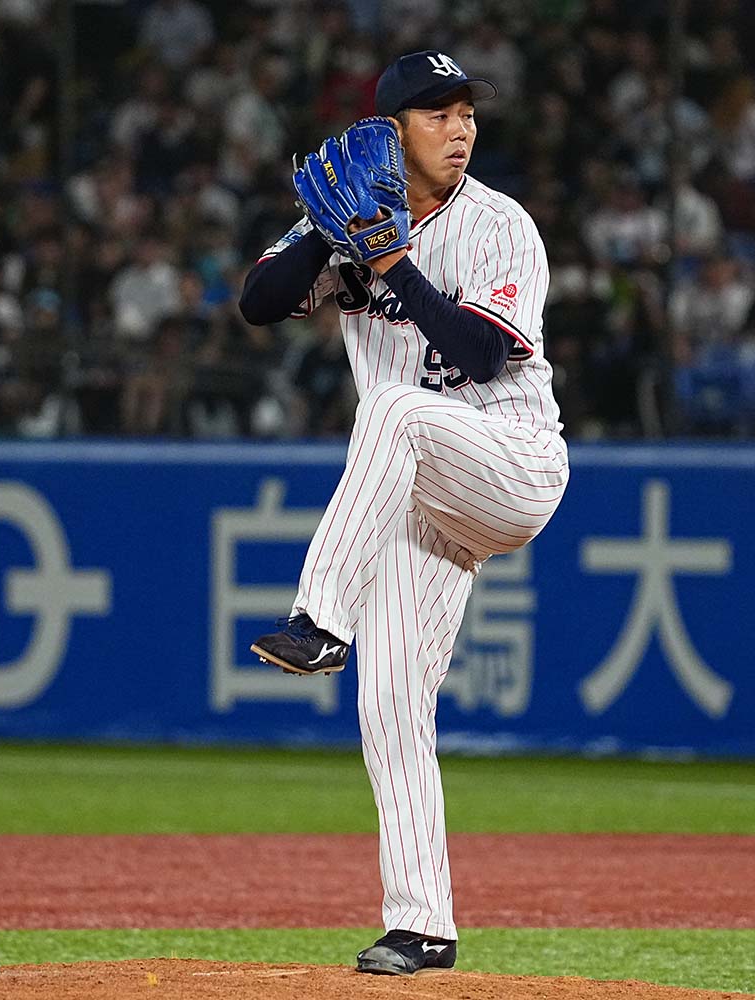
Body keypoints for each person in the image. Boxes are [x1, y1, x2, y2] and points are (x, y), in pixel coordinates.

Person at [238, 50, 568, 976]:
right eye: (437, 114)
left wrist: (387, 260)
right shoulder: (349, 218)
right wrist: (326, 233)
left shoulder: (501, 225)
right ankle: (422, 924)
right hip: (423, 493)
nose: (461, 130)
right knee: (389, 702)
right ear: (390, 132)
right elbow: (259, 303)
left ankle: (318, 619)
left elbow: (479, 355)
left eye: (467, 113)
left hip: (511, 466)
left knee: (392, 406)